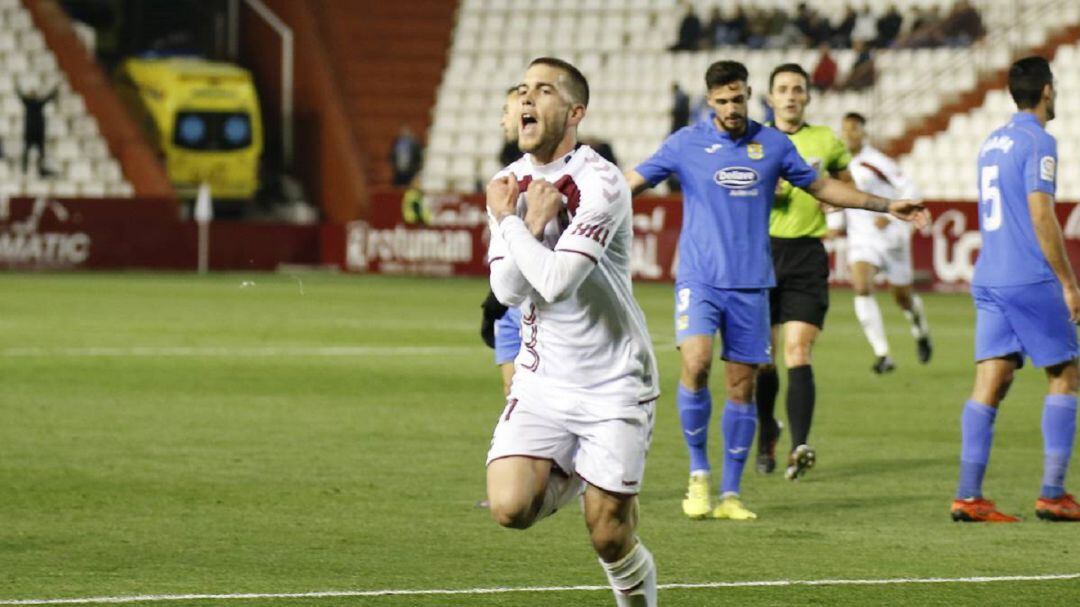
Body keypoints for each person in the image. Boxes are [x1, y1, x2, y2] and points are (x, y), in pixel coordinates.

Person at [625, 60, 928, 521]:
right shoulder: (686, 143)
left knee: (742, 386)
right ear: (710, 101)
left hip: (752, 284)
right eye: (722, 100)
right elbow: (630, 184)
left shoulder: (772, 145)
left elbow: (824, 188)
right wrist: (579, 205)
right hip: (701, 278)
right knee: (696, 361)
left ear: (751, 96)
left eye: (738, 98)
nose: (731, 108)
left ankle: (730, 494)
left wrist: (886, 204)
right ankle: (699, 474)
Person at [485, 57, 660, 605]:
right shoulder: (505, 185)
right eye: (522, 89)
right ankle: (588, 475)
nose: (528, 99)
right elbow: (510, 292)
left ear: (575, 111)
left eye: (544, 90)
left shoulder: (602, 182)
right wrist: (526, 222)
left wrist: (516, 224)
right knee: (509, 509)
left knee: (609, 535)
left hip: (613, 381)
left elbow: (558, 281)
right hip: (543, 382)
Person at [951, 56, 1080, 523]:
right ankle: (1053, 493)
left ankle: (968, 496)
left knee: (991, 380)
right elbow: (1041, 214)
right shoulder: (1039, 141)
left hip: (989, 277)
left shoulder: (992, 142)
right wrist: (1068, 281)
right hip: (1028, 275)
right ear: (1047, 90)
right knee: (1065, 374)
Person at [753, 63, 849, 482]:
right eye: (783, 90)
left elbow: (844, 182)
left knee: (798, 352)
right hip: (758, 256)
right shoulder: (753, 140)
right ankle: (766, 432)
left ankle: (799, 446)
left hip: (807, 256)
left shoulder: (825, 140)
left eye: (798, 89)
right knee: (764, 363)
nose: (791, 96)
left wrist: (835, 202)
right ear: (770, 98)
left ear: (807, 97)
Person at [832, 112, 932, 372]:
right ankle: (883, 354)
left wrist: (889, 216)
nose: (849, 134)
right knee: (861, 286)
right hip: (861, 239)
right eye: (845, 129)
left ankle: (920, 329)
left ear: (864, 132)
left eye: (854, 128)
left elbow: (911, 189)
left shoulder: (877, 162)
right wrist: (832, 227)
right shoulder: (838, 165)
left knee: (903, 298)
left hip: (891, 239)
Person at [16, 81, 58, 177]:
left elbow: (48, 98)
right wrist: (17, 86)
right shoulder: (28, 102)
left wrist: (55, 90)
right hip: (30, 131)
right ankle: (24, 168)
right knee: (27, 151)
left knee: (40, 152)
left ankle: (40, 169)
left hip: (38, 132)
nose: (33, 94)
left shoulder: (39, 103)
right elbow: (20, 95)